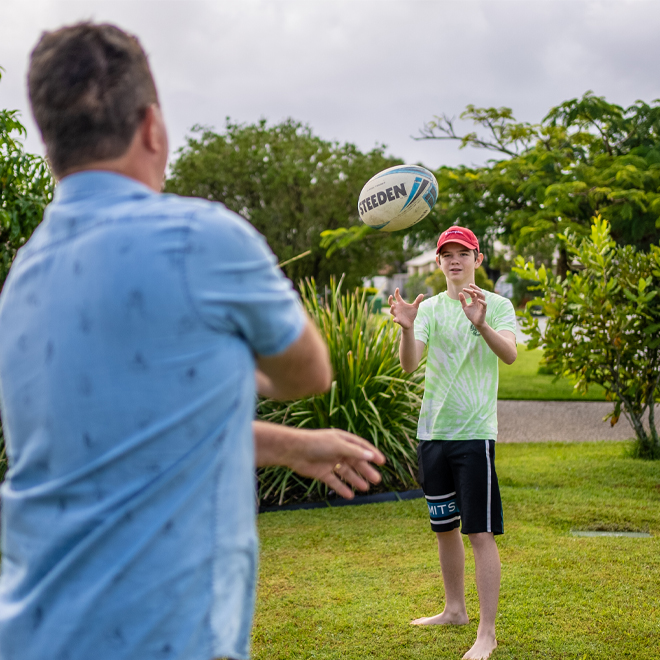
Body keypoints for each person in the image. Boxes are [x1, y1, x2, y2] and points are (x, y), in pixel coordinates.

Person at [0, 22, 385, 660]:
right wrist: (239, 371)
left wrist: (289, 445)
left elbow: (134, 433)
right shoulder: (199, 240)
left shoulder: (24, 280)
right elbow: (308, 374)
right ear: (152, 126)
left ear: (51, 143)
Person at [388, 226, 517, 660]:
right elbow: (410, 363)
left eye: (464, 252)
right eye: (447, 253)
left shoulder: (496, 305)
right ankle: (454, 610)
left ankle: (487, 633)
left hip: (474, 432)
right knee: (445, 529)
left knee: (479, 532)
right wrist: (406, 327)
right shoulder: (428, 309)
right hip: (433, 432)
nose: (455, 259)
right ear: (439, 262)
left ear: (478, 259)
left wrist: (481, 325)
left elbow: (511, 354)